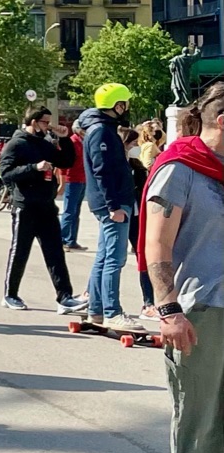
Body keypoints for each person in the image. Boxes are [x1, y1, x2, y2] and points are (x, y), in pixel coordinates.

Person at [139, 80, 224, 453]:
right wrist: (168, 309)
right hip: (202, 309)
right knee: (200, 415)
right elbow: (158, 246)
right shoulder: (181, 169)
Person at [0, 107, 83, 314]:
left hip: (46, 206)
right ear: (34, 122)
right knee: (20, 251)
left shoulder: (44, 144)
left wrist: (64, 140)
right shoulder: (16, 144)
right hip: (25, 206)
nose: (48, 126)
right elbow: (6, 173)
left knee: (55, 253)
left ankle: (65, 297)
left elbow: (66, 161)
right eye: (45, 122)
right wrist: (33, 168)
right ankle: (10, 294)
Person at [75, 83, 137, 327]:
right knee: (114, 258)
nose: (127, 108)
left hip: (111, 201)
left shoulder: (100, 128)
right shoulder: (101, 131)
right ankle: (112, 311)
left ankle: (97, 311)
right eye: (125, 103)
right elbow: (103, 171)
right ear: (117, 105)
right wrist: (114, 206)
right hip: (113, 202)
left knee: (103, 256)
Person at [121, 129, 156, 311]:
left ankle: (148, 302)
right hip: (119, 215)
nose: (136, 147)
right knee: (112, 259)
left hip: (137, 217)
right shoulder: (115, 165)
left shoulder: (137, 167)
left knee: (143, 256)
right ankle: (95, 298)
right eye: (133, 144)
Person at [56, 120, 87, 250]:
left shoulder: (82, 142)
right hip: (72, 180)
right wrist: (62, 183)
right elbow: (63, 165)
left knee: (76, 212)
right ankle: (61, 240)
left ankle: (71, 239)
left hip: (82, 179)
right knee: (69, 211)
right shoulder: (72, 142)